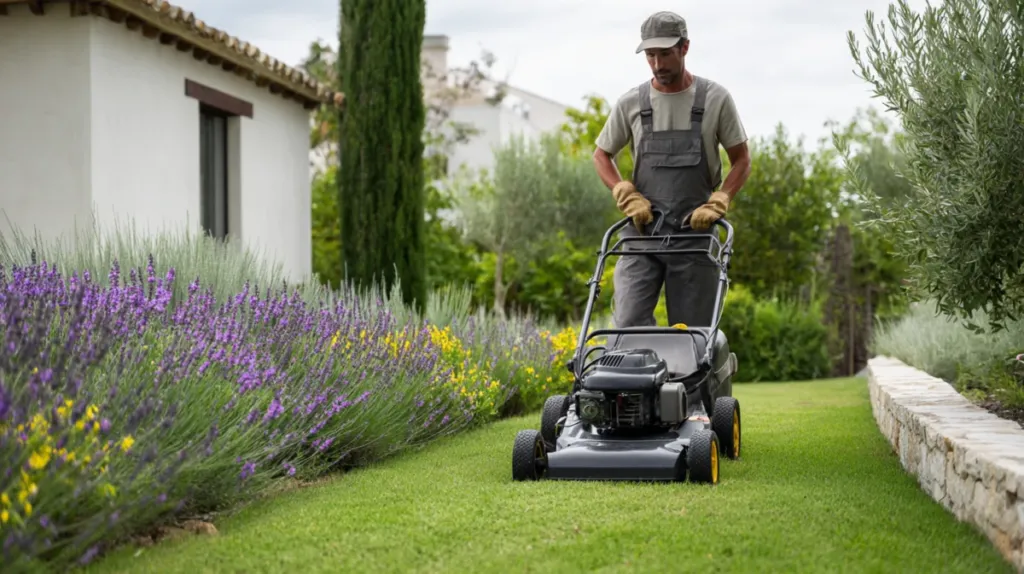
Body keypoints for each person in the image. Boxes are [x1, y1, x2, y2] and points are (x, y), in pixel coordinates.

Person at [593, 10, 751, 329]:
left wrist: (720, 198)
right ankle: (638, 377)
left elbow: (742, 159)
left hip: (695, 234)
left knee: (693, 334)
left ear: (685, 48)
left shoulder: (715, 99)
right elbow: (601, 155)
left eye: (665, 54)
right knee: (628, 323)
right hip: (642, 233)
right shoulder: (631, 103)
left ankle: (693, 379)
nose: (658, 64)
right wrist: (623, 191)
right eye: (650, 55)